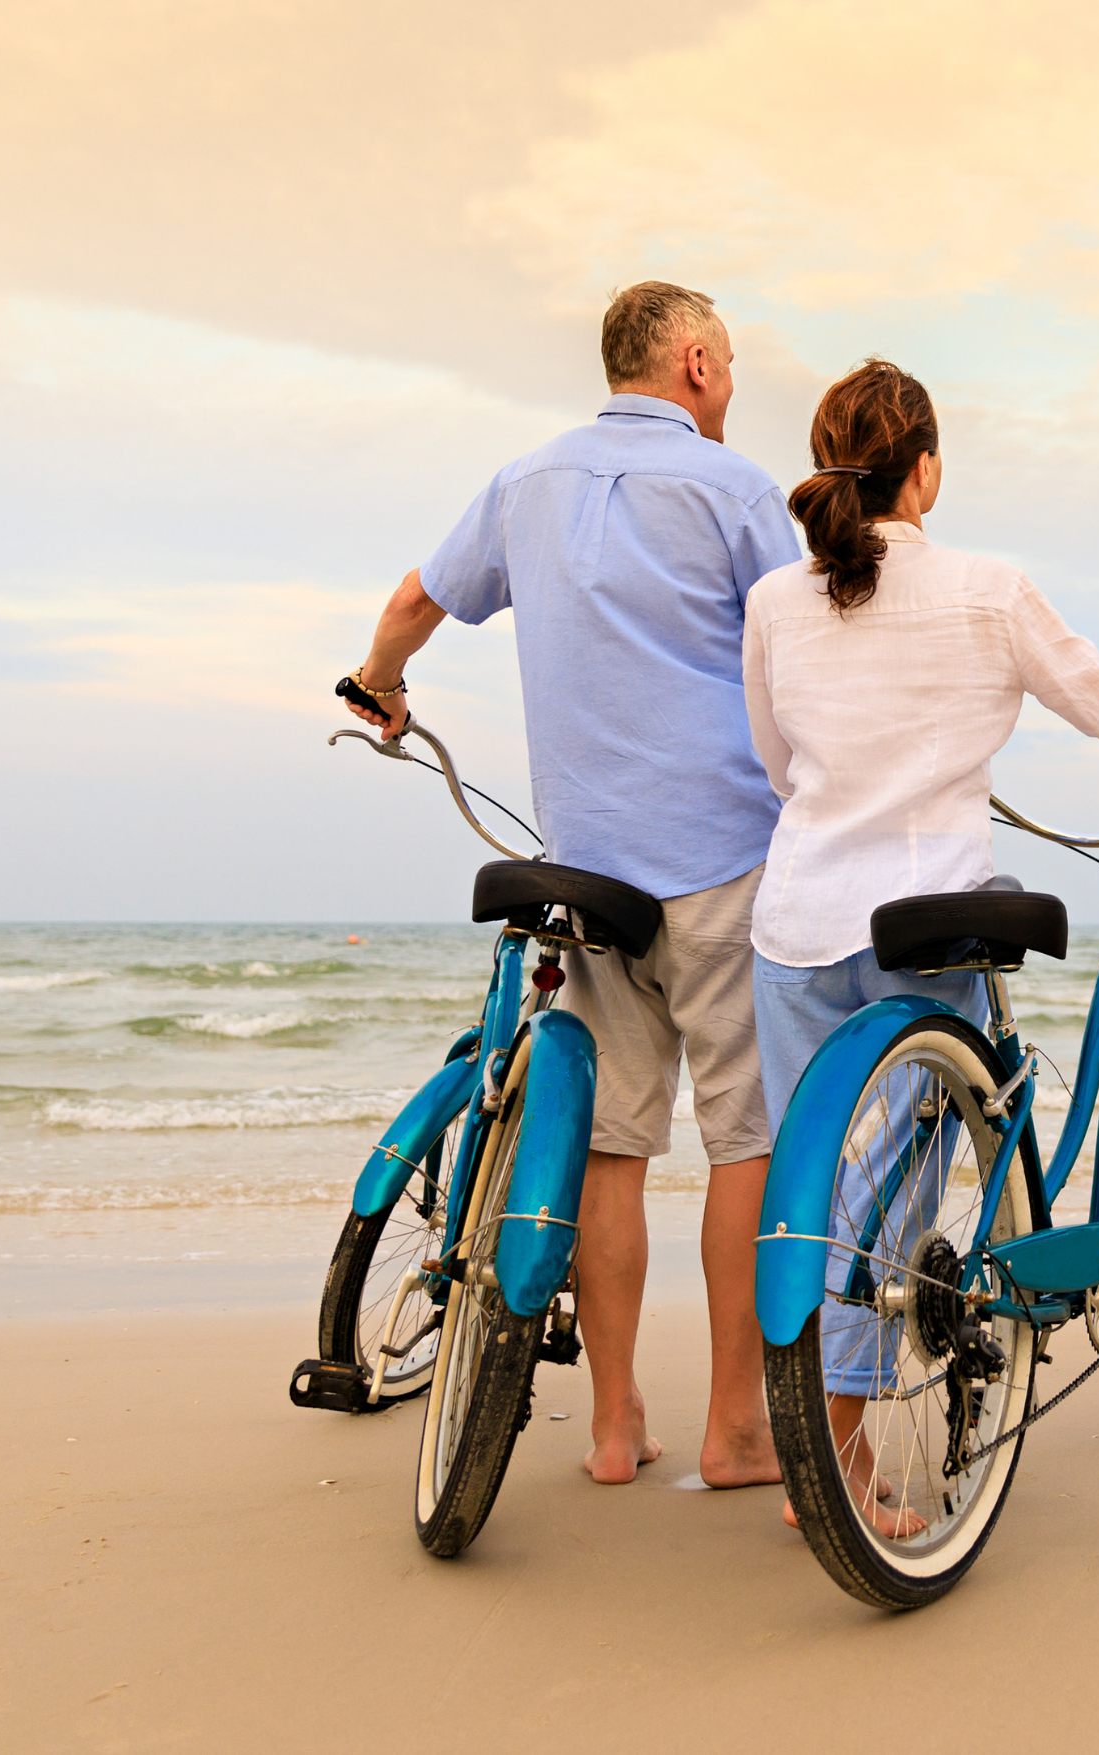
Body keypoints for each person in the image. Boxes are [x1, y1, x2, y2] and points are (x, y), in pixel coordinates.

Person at [739, 359, 1099, 1532]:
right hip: (922, 921)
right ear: (928, 470)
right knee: (888, 1203)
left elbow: (778, 766)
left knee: (818, 1189)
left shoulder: (773, 604)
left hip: (797, 922)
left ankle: (825, 1457)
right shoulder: (986, 591)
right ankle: (844, 1474)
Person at [342, 281, 787, 1489]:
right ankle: (738, 1429)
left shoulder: (522, 484)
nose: (734, 385)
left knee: (611, 1145)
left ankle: (612, 1423)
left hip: (587, 873)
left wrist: (381, 686)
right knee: (746, 1139)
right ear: (693, 362)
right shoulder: (736, 490)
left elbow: (411, 603)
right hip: (725, 862)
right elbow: (806, 647)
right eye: (731, 363)